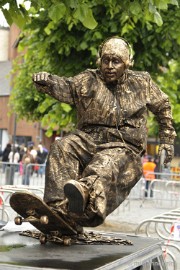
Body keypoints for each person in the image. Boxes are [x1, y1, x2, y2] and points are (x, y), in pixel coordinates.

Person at [32, 37, 176, 230]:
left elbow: (163, 106)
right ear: (99, 60)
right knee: (62, 146)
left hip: (123, 145)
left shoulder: (142, 83)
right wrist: (47, 81)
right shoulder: (87, 80)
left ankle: (83, 195)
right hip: (88, 139)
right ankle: (57, 208)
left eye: (116, 61)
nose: (109, 66)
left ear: (127, 63)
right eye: (105, 60)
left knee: (106, 162)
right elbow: (67, 87)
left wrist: (166, 140)